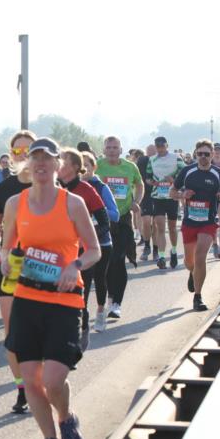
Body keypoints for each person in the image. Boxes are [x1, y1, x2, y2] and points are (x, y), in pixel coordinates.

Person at [0, 138, 100, 439]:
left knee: (53, 380)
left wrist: (75, 265)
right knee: (30, 378)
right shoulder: (16, 202)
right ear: (27, 165)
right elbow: (7, 245)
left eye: (48, 159)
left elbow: (95, 249)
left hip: (65, 302)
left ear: (59, 165)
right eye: (35, 159)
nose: (41, 164)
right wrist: (5, 259)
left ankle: (66, 417)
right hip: (27, 299)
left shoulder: (72, 204)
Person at [0, 130, 36, 413]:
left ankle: (38, 382)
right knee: (13, 333)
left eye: (28, 150)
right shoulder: (5, 188)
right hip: (11, 266)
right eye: (17, 151)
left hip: (44, 266)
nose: (22, 156)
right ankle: (22, 388)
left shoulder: (52, 187)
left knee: (38, 329)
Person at [57, 149, 109, 351]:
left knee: (80, 298)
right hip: (56, 254)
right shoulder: (50, 189)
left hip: (81, 255)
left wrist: (84, 237)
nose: (58, 165)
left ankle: (82, 331)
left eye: (63, 162)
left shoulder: (86, 190)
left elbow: (104, 223)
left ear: (75, 167)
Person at [172, 139, 220, 311]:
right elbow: (172, 192)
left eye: (207, 154)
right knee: (190, 261)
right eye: (200, 154)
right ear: (196, 154)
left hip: (208, 222)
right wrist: (183, 194)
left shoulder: (219, 173)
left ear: (213, 155)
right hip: (190, 221)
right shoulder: (187, 171)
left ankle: (198, 297)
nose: (203, 157)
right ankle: (193, 273)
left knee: (200, 257)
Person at [95, 136, 143, 321]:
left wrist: (136, 201)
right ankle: (110, 296)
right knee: (107, 262)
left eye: (116, 147)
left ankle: (116, 304)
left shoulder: (130, 167)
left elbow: (139, 185)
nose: (112, 150)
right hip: (103, 221)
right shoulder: (97, 166)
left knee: (119, 259)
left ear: (121, 149)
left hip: (123, 219)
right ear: (104, 149)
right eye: (109, 147)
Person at [82, 152, 119, 333]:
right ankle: (83, 313)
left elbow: (115, 214)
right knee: (83, 280)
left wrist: (96, 214)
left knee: (99, 277)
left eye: (86, 165)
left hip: (102, 241)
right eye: (79, 165)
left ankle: (100, 310)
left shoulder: (101, 187)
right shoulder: (70, 187)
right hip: (80, 243)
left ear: (93, 167)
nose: (83, 169)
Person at [146, 136, 186, 269]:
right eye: (158, 146)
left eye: (162, 146)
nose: (160, 149)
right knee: (160, 227)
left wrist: (173, 179)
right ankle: (162, 257)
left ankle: (174, 251)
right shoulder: (152, 159)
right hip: (158, 197)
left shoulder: (176, 157)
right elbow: (147, 176)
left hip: (172, 197)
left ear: (167, 145)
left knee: (172, 228)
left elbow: (184, 172)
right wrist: (152, 182)